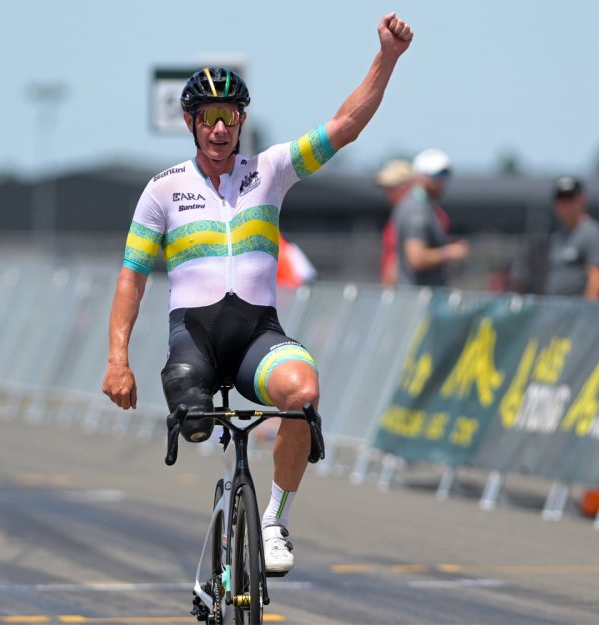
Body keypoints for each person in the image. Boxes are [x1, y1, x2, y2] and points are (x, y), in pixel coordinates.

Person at [102, 12, 414, 576]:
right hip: (193, 340)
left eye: (229, 117)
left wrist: (387, 57)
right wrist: (117, 360)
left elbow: (345, 125)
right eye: (208, 118)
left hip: (256, 335)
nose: (219, 129)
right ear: (192, 123)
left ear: (241, 120)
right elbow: (132, 275)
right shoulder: (162, 190)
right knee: (194, 418)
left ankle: (273, 520)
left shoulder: (269, 171)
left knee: (304, 393)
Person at [392, 148, 468, 286]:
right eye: (437, 175)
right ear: (421, 176)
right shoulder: (416, 209)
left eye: (445, 176)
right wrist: (450, 252)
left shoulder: (425, 207)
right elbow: (417, 258)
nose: (442, 182)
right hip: (418, 300)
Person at [543, 176, 599, 299]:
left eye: (570, 198)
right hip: (555, 310)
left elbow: (597, 279)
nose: (566, 204)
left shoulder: (592, 233)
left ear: (582, 199)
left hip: (576, 314)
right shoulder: (558, 237)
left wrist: (586, 312)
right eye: (561, 199)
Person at [375, 159, 413, 286]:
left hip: (404, 294)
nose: (387, 193)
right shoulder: (399, 215)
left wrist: (389, 289)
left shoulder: (412, 215)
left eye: (391, 188)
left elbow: (398, 257)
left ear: (405, 186)